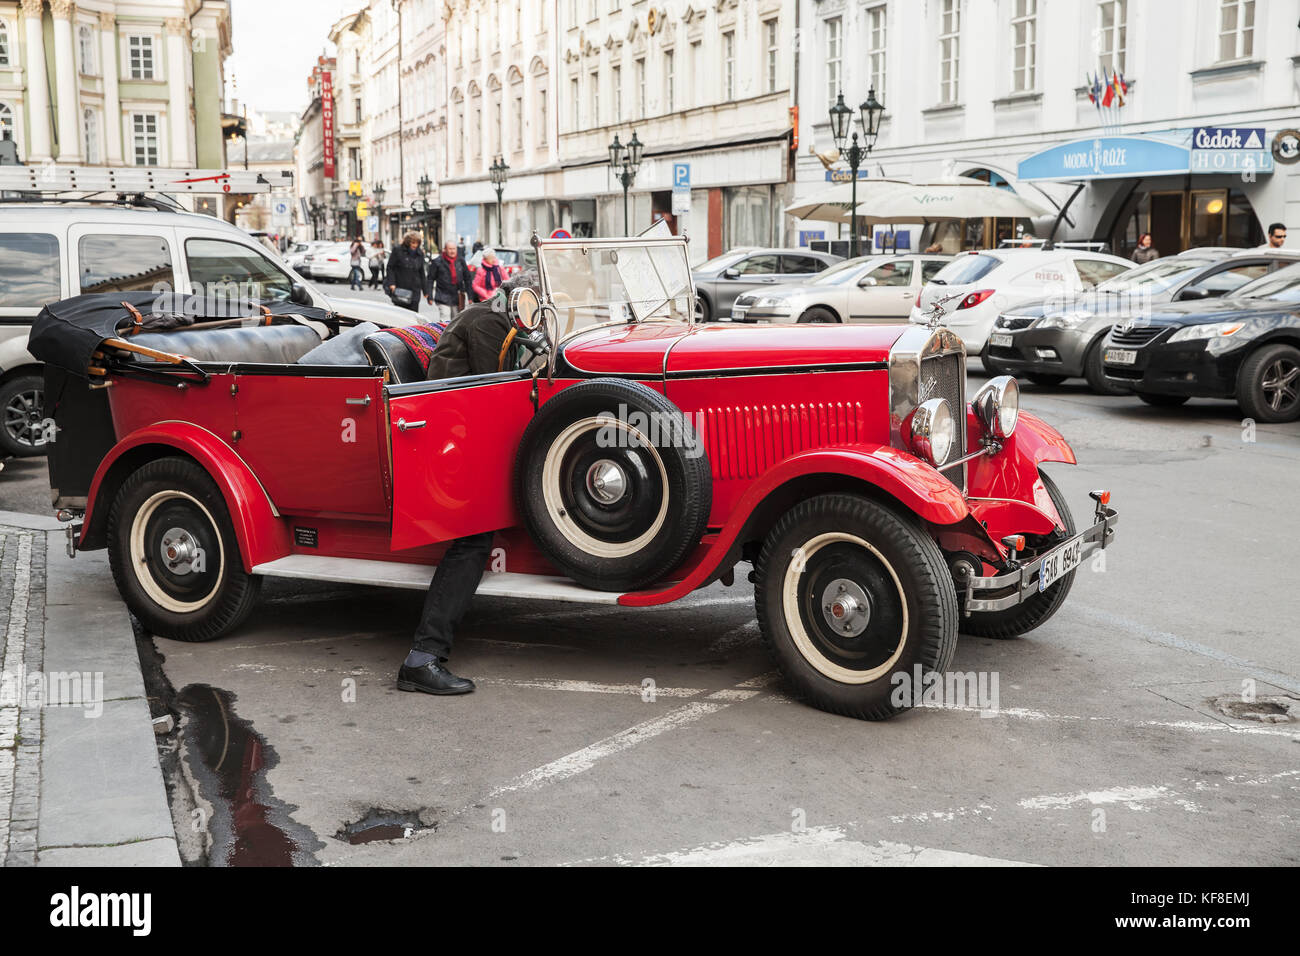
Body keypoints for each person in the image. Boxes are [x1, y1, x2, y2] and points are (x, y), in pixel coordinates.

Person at [397, 269, 542, 697]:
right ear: (519, 299)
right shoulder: (491, 322)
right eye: (534, 300)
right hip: (452, 434)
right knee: (473, 539)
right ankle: (422, 658)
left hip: (466, 426)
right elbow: (495, 389)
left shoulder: (502, 319)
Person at [427, 240, 471, 322]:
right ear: (445, 249)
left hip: (457, 297)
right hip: (442, 295)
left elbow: (467, 278)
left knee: (457, 321)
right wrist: (429, 295)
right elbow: (430, 279)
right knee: (445, 321)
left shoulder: (461, 260)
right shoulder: (437, 261)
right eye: (450, 249)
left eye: (454, 249)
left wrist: (470, 296)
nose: (452, 251)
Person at [384, 232, 428, 312]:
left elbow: (421, 272)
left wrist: (425, 290)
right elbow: (390, 267)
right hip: (401, 287)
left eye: (417, 243)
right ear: (408, 242)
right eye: (413, 242)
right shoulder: (398, 250)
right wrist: (392, 283)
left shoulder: (420, 253)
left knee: (413, 314)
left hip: (415, 289)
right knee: (401, 314)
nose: (415, 245)